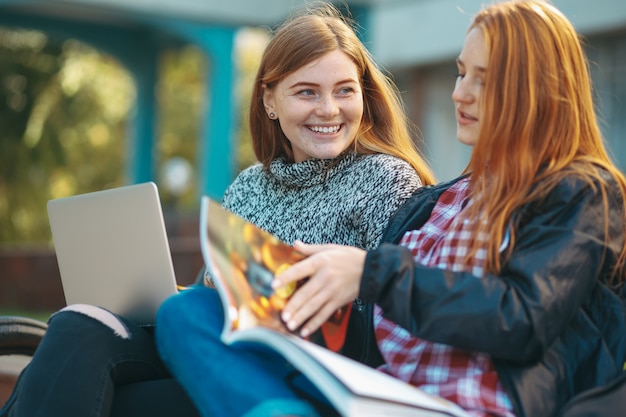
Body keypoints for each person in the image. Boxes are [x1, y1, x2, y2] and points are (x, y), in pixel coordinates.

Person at [156, 1, 626, 416]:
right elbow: (375, 324)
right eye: (462, 73)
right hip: (377, 391)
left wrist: (370, 273)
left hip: (464, 403)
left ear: (537, 89)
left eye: (485, 80)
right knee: (187, 310)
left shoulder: (583, 192)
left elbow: (521, 317)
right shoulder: (444, 200)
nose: (460, 93)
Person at [0, 3, 435, 417]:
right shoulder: (249, 186)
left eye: (345, 91)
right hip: (216, 345)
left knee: (114, 395)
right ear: (269, 101)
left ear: (364, 96)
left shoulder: (385, 178)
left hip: (304, 368)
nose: (329, 109)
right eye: (307, 92)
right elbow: (210, 294)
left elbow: (393, 315)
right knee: (79, 326)